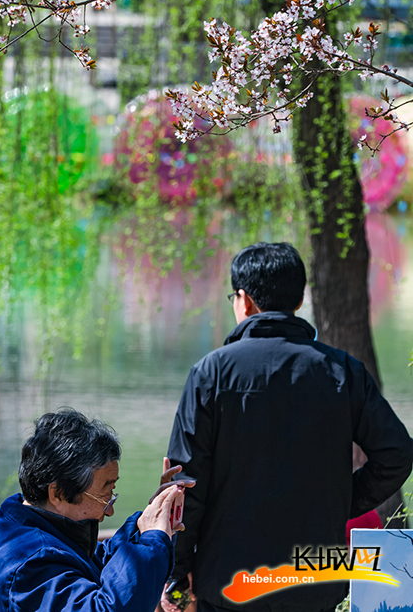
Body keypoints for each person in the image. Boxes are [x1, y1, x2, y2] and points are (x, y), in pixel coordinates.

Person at [164, 242, 413, 612]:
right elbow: (396, 454)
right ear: (298, 302)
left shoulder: (211, 374)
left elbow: (185, 482)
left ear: (244, 301)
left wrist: (178, 568)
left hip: (229, 579)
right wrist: (341, 501)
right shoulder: (342, 372)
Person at [0, 408, 191, 612]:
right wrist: (152, 541)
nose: (109, 511)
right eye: (105, 493)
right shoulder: (31, 564)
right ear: (58, 493)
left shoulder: (16, 521)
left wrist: (146, 526)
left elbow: (93, 563)